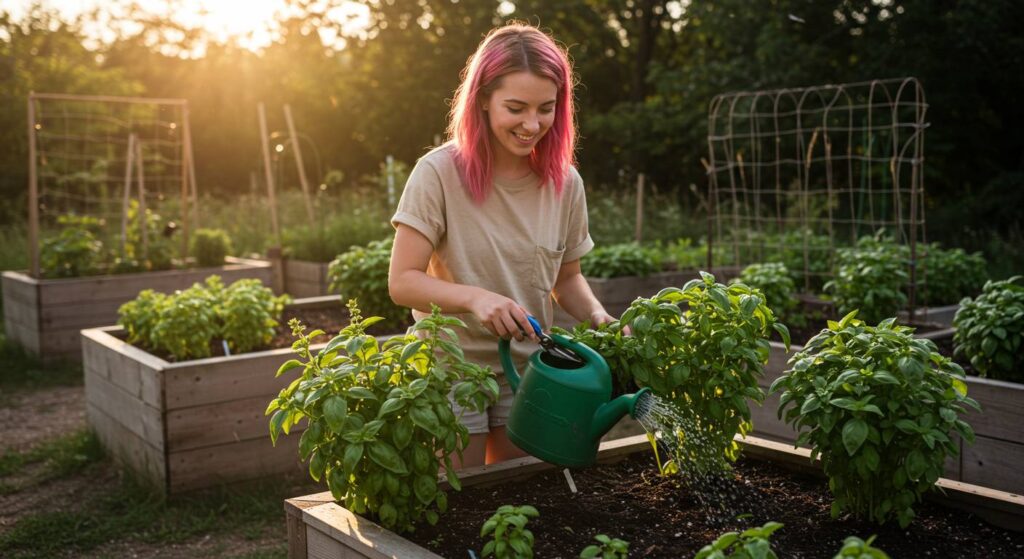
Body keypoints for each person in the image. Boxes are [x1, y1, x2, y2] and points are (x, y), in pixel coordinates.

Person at [388, 23, 615, 468]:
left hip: (531, 372)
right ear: (483, 100)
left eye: (546, 109)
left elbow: (567, 278)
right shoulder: (437, 173)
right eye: (516, 108)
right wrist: (476, 299)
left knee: (515, 508)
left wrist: (597, 316)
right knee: (459, 508)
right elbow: (403, 282)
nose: (533, 124)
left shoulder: (564, 183)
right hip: (448, 367)